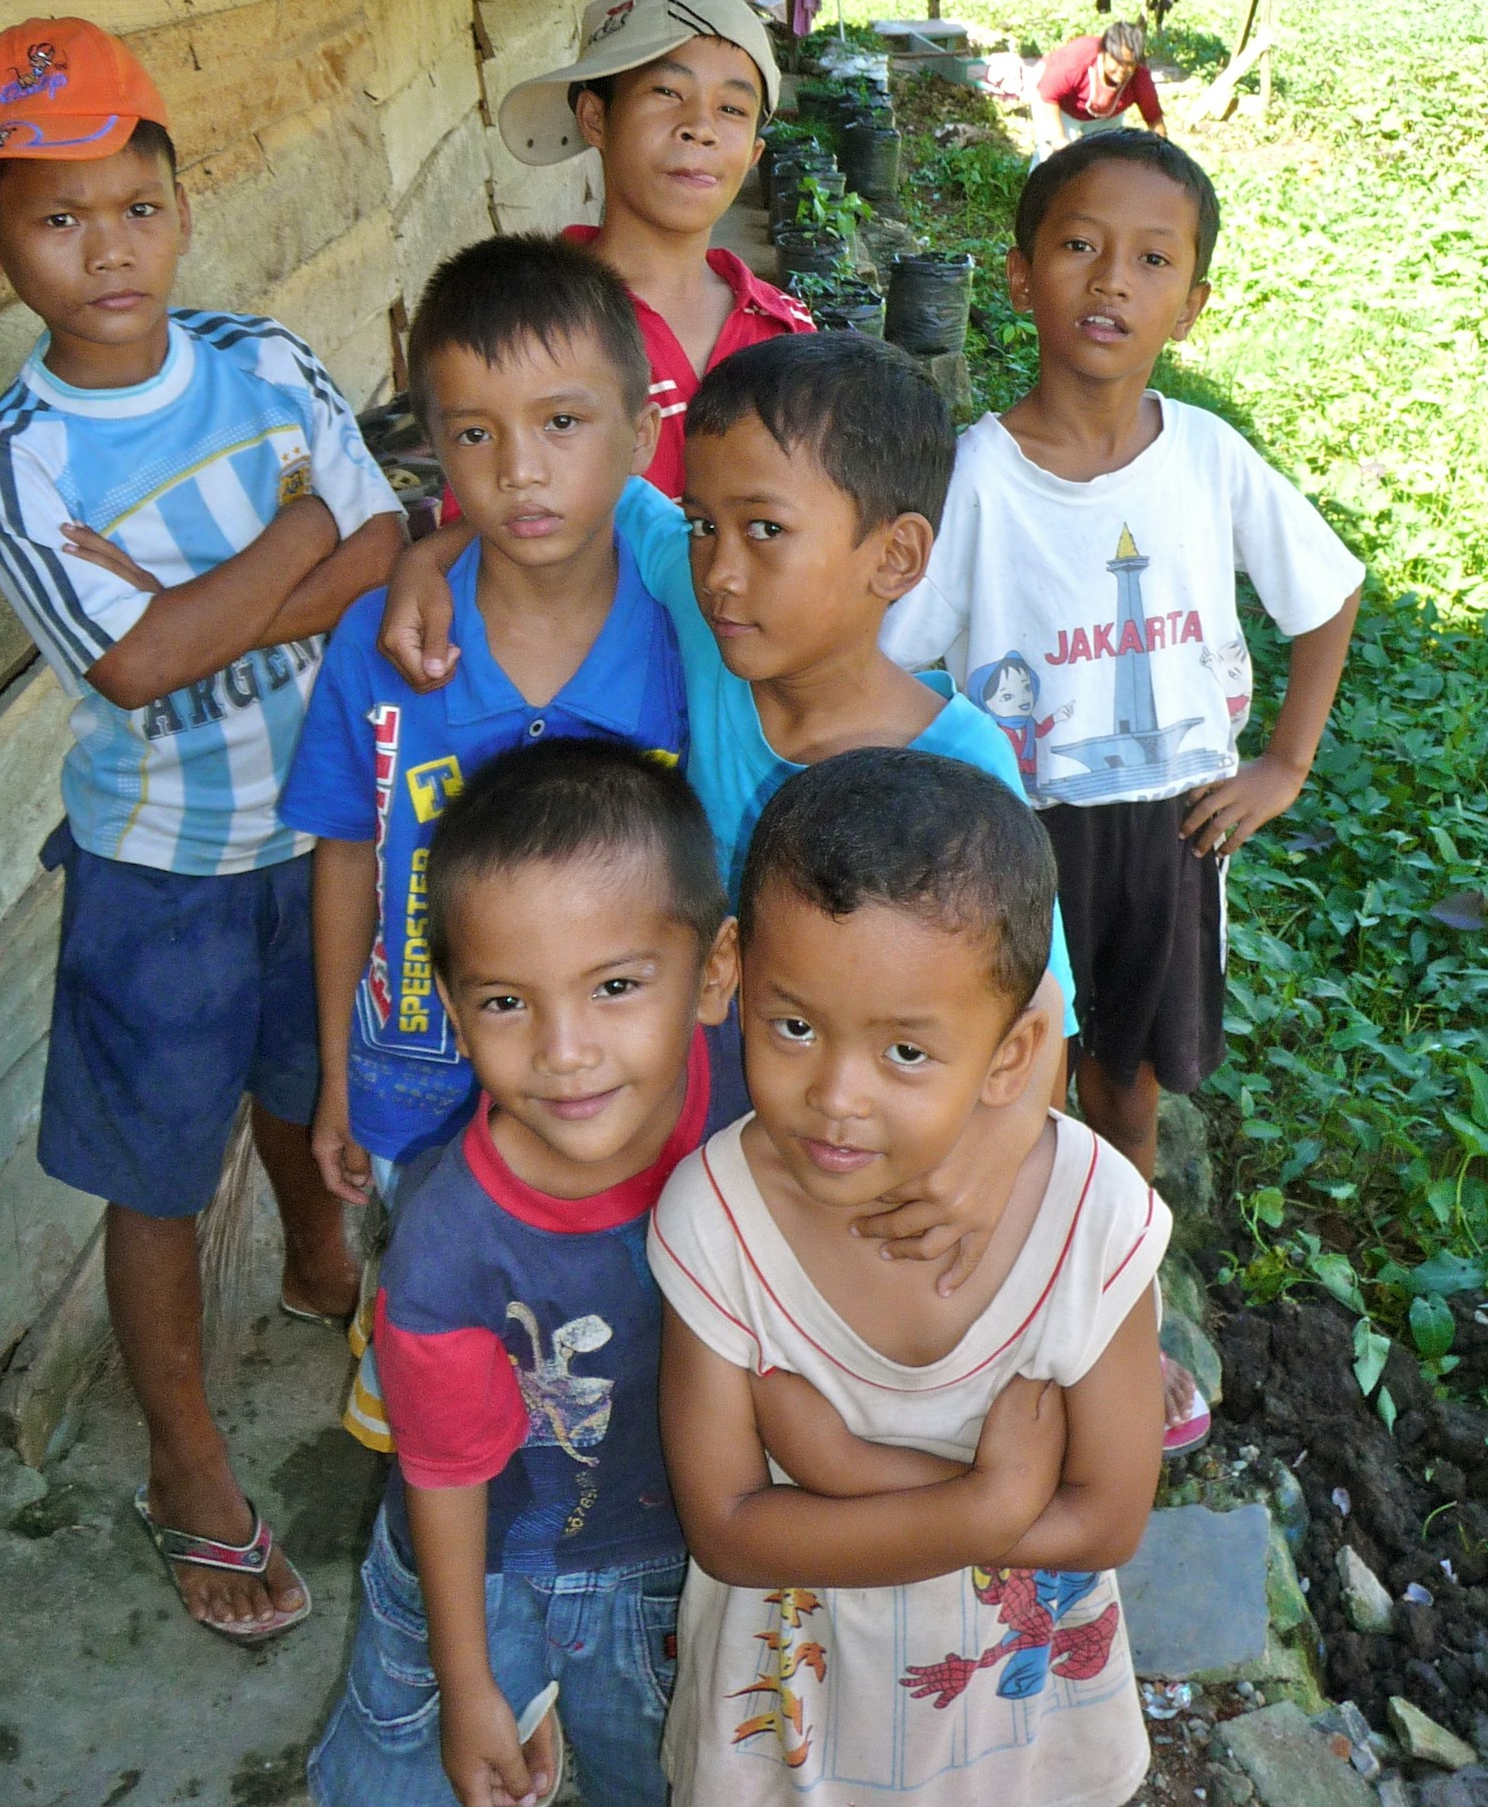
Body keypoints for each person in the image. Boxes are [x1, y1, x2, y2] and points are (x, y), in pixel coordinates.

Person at [0, 17, 406, 1639]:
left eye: (134, 205)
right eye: (58, 219)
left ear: (177, 201)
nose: (107, 249)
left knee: (307, 1086)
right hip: (157, 867)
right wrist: (298, 533)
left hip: (318, 830)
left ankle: (317, 1265)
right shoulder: (19, 455)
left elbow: (384, 544)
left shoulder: (266, 363)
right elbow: (139, 666)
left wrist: (288, 561)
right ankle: (189, 1463)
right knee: (156, 1179)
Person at [381, 333, 1082, 1278]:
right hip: (701, 1092)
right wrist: (428, 558)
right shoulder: (714, 616)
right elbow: (568, 494)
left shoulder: (958, 763)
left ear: (896, 555)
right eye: (703, 522)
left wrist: (990, 1163)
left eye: (764, 530)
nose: (717, 568)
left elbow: (1038, 1000)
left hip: (851, 1112)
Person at [882, 128, 1363, 1453]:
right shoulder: (973, 478)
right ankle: (1008, 1325)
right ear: (1021, 271)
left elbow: (1325, 597)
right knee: (1010, 1085)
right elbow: (889, 651)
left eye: (1153, 259)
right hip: (1012, 840)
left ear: (1191, 303)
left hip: (1168, 833)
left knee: (1130, 1088)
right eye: (1079, 245)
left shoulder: (1205, 461)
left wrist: (1283, 763)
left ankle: (1127, 1320)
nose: (1111, 280)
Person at [649, 748, 1168, 1807]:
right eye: (793, 1026)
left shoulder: (1088, 1218)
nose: (835, 1094)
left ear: (1016, 1053)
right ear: (735, 969)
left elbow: (1111, 1517)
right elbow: (728, 1529)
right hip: (792, 1745)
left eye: (905, 1054)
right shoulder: (716, 1222)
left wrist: (839, 1465)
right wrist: (991, 1506)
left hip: (1013, 1746)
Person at [280, 235, 687, 1451]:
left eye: (564, 422)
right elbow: (346, 848)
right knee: (447, 1352)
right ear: (434, 441)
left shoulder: (687, 639)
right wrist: (339, 1077)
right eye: (473, 434)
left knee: (617, 1354)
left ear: (639, 430)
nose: (520, 472)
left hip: (627, 1089)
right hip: (418, 1075)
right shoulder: (386, 647)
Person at [307, 741, 742, 1807]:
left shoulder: (753, 1110)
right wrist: (466, 1684)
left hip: (679, 1569)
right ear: (454, 1010)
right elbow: (447, 1472)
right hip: (476, 1579)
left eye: (615, 986)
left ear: (716, 973)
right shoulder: (452, 1242)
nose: (564, 1048)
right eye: (507, 1002)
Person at [490, 0, 812, 497]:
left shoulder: (787, 332)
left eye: (731, 109)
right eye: (667, 92)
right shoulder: (533, 325)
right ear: (596, 119)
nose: (700, 127)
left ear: (753, 156)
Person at [1030, 19, 1165, 155]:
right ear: (1102, 51)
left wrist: (1163, 158)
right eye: (1117, 61)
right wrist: (1059, 141)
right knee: (1049, 160)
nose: (1122, 69)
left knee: (1105, 160)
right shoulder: (1076, 58)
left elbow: (1154, 120)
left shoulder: (1140, 77)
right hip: (1057, 105)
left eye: (1129, 64)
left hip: (1105, 116)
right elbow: (1048, 96)